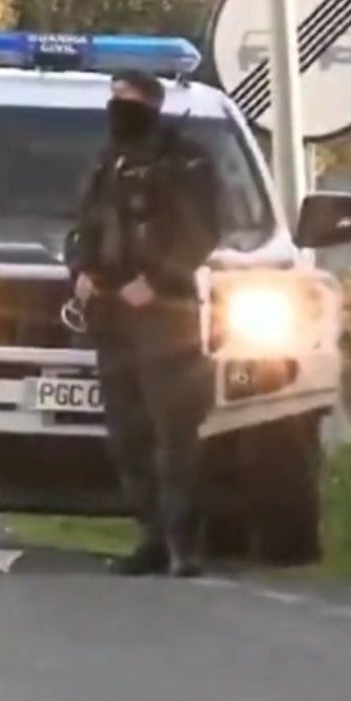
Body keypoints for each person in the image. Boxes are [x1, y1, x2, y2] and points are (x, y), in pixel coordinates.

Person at [68, 69, 222, 578]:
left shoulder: (185, 159)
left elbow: (201, 232)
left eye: (127, 99)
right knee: (126, 434)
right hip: (111, 312)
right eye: (113, 98)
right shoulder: (107, 159)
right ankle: (151, 536)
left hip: (165, 313)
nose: (117, 107)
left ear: (152, 103)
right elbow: (84, 224)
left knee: (172, 432)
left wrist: (155, 279)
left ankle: (183, 544)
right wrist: (82, 271)